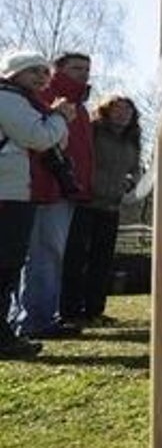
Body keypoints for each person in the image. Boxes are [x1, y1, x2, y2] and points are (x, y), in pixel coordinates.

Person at [9, 52, 93, 340]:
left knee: (46, 254)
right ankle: (36, 319)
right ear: (57, 71)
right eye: (75, 68)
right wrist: (57, 115)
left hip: (67, 187)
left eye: (86, 68)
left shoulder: (79, 105)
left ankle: (34, 316)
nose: (83, 73)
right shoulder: (45, 97)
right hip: (46, 186)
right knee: (44, 253)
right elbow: (41, 139)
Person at [0, 50, 74, 359]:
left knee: (8, 266)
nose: (41, 78)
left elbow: (53, 140)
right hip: (7, 194)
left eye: (45, 73)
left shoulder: (25, 102)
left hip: (17, 192)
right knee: (4, 267)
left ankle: (3, 334)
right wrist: (58, 118)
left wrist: (53, 122)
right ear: (12, 74)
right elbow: (41, 138)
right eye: (33, 71)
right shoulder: (9, 99)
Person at [61, 95, 140, 325]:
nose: (123, 113)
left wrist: (130, 182)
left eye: (128, 110)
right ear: (106, 110)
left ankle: (94, 310)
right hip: (85, 204)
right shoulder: (93, 130)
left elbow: (136, 168)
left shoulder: (132, 138)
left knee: (102, 261)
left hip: (112, 206)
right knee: (76, 260)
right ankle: (70, 311)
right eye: (118, 109)